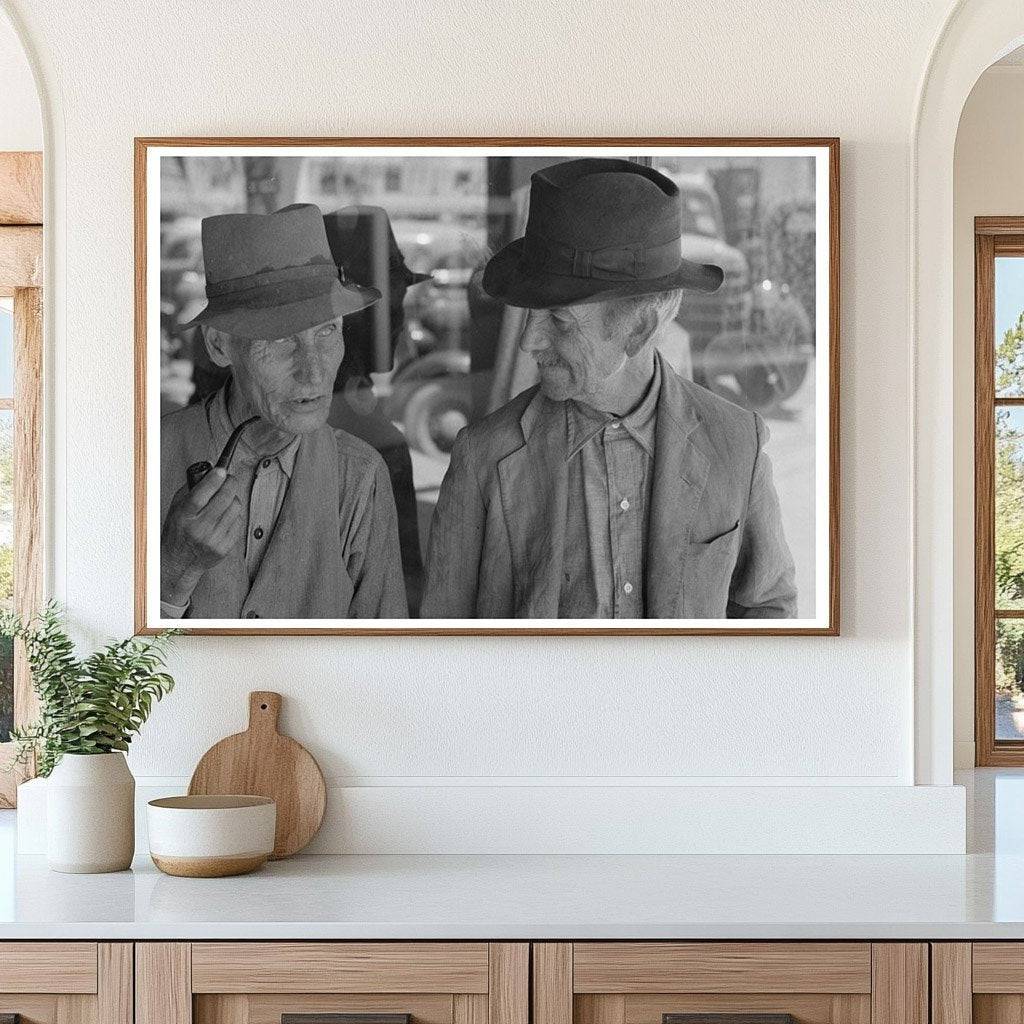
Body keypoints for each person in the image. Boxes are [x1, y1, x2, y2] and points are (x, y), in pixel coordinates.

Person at [421, 158, 796, 619]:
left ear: (637, 328)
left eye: (558, 320)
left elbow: (768, 611)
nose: (527, 341)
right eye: (530, 314)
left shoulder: (737, 443)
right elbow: (444, 646)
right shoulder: (484, 457)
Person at [160, 203, 407, 620]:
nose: (313, 371)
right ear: (220, 345)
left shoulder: (360, 475)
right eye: (279, 340)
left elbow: (384, 659)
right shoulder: (148, 458)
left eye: (328, 330)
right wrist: (173, 572)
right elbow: (103, 665)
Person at [322, 205, 431, 615]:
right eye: (389, 304)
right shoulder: (364, 440)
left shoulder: (354, 411)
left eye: (399, 302)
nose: (399, 321)